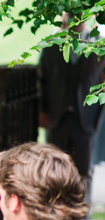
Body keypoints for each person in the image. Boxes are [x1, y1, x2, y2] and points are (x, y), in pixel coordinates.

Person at [39, 12, 105, 194]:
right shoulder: (52, 44)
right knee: (55, 168)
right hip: (57, 116)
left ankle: (83, 212)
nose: (77, 18)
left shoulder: (99, 44)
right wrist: (42, 111)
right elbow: (42, 80)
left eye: (81, 14)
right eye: (72, 14)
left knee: (84, 169)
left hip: (88, 118)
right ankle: (58, 210)